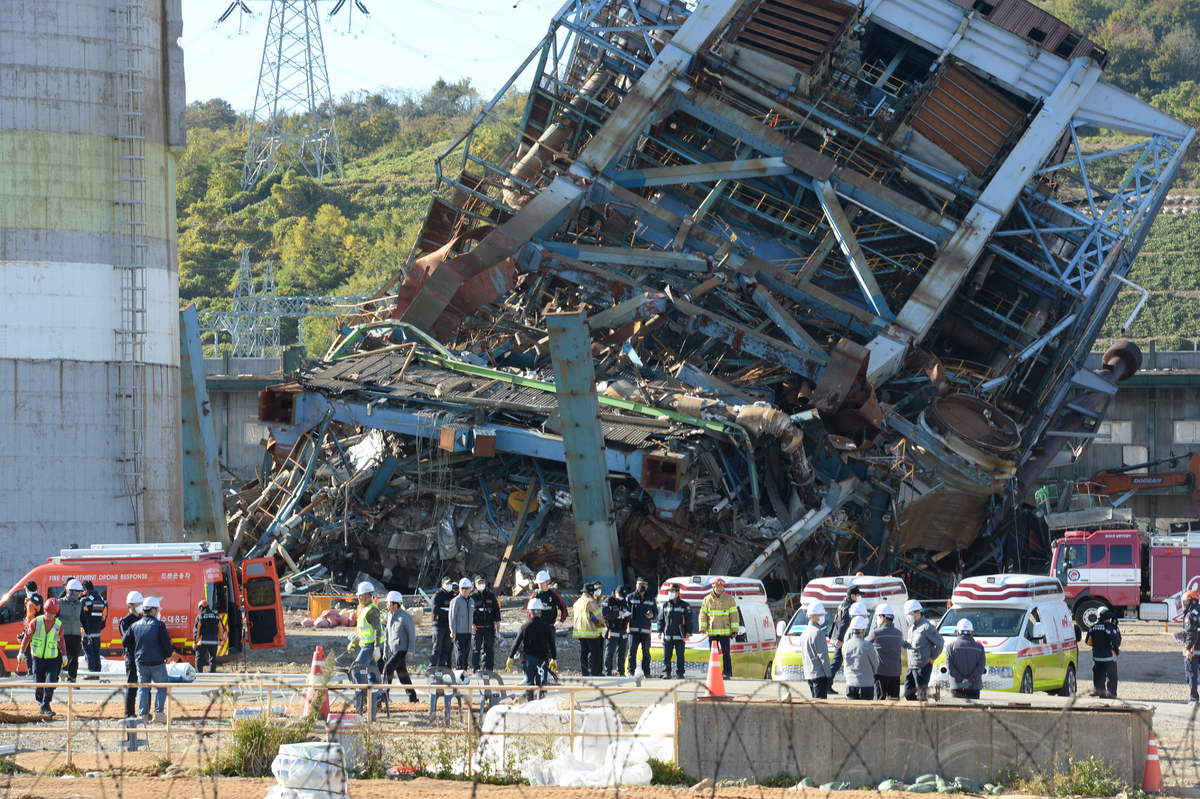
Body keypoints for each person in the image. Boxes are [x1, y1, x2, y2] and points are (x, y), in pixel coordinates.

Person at [123, 596, 174, 723]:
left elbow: (125, 641)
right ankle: (158, 713)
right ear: (152, 610)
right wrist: (168, 655)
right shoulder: (159, 625)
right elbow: (167, 644)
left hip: (140, 663)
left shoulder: (135, 625)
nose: (158, 612)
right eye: (157, 609)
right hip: (156, 662)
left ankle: (143, 716)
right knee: (163, 686)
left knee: (143, 688)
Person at [19, 597, 65, 716]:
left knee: (50, 682)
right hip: (38, 658)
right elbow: (27, 637)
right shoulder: (36, 622)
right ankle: (42, 704)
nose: (50, 616)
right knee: (38, 683)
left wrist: (64, 654)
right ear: (44, 610)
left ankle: (45, 705)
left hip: (52, 659)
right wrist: (21, 651)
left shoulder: (58, 625)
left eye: (52, 614)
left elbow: (60, 640)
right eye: (48, 613)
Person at [508, 597, 557, 701]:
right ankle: (541, 708)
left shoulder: (524, 627)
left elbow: (516, 643)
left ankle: (529, 706)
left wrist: (510, 657)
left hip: (529, 661)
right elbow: (552, 644)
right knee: (541, 686)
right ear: (541, 612)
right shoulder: (547, 627)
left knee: (529, 685)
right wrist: (554, 658)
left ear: (529, 612)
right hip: (542, 661)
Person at [699, 578, 741, 680]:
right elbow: (703, 615)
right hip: (712, 632)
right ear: (713, 587)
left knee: (726, 654)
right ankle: (714, 673)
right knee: (713, 655)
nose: (719, 589)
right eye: (717, 587)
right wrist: (702, 628)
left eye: (721, 587)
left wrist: (735, 630)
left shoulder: (729, 599)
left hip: (725, 632)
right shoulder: (707, 599)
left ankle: (727, 673)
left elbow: (734, 616)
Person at [902, 600, 944, 701]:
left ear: (918, 613)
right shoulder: (912, 628)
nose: (909, 616)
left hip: (922, 668)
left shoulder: (927, 627)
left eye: (910, 614)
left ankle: (920, 714)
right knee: (908, 693)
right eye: (907, 614)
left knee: (922, 695)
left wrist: (933, 657)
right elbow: (910, 644)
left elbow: (940, 643)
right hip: (912, 666)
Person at [382, 591, 418, 703]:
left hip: (402, 650)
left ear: (395, 604)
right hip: (393, 651)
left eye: (388, 603)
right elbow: (386, 634)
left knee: (388, 667)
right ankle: (413, 697)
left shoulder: (405, 616)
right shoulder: (389, 616)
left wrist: (411, 651)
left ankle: (384, 695)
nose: (387, 605)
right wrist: (385, 650)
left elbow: (411, 634)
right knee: (403, 675)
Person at [827, 586, 863, 693]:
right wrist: (839, 639)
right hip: (843, 640)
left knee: (837, 662)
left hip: (841, 639)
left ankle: (827, 684)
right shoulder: (848, 607)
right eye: (857, 595)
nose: (859, 597)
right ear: (852, 596)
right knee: (836, 663)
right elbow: (843, 623)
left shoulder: (842, 605)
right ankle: (826, 684)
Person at [866, 603, 903, 700]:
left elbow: (863, 644)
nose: (877, 620)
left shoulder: (875, 633)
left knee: (879, 701)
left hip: (881, 673)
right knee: (894, 702)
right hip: (895, 673)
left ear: (882, 617)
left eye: (877, 617)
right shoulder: (899, 633)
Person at [944, 619, 986, 699]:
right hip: (974, 687)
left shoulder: (950, 647)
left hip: (956, 686)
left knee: (957, 710)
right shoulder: (979, 648)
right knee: (974, 711)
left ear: (958, 632)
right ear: (972, 632)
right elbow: (981, 668)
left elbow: (950, 668)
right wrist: (969, 681)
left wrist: (962, 681)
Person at [659, 583, 693, 679]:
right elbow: (661, 619)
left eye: (673, 591)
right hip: (667, 636)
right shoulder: (665, 605)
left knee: (680, 656)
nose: (671, 593)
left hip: (679, 636)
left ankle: (680, 673)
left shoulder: (684, 605)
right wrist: (659, 631)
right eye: (670, 591)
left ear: (678, 593)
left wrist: (688, 632)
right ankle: (666, 673)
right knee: (666, 656)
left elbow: (689, 620)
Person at [1086, 607, 1122, 698]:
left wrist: (1097, 647)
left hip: (1097, 657)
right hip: (1109, 657)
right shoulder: (1110, 628)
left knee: (1099, 675)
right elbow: (1117, 642)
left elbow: (1088, 642)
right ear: (1107, 618)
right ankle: (1111, 694)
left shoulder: (1092, 628)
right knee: (1112, 676)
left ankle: (1100, 693)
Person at [119, 591, 143, 718]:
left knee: (144, 686)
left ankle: (144, 713)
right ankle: (130, 713)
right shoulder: (125, 621)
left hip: (142, 655)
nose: (141, 606)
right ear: (131, 605)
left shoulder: (142, 619)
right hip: (131, 656)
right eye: (139, 604)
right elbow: (126, 639)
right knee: (132, 684)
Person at [843, 616, 879, 700]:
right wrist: (871, 674)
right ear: (864, 630)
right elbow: (875, 664)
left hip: (850, 683)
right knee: (867, 711)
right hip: (866, 684)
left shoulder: (845, 646)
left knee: (852, 711)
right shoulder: (868, 646)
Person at [627, 578, 658, 678]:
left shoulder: (650, 597)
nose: (641, 586)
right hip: (633, 631)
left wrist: (652, 615)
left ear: (647, 586)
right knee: (632, 652)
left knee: (646, 652)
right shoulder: (630, 597)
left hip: (645, 630)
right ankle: (631, 672)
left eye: (644, 584)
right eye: (639, 584)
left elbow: (656, 612)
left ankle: (647, 673)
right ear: (636, 585)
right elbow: (625, 611)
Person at [573, 582, 604, 677]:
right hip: (590, 632)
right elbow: (600, 615)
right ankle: (594, 673)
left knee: (584, 653)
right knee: (595, 653)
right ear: (590, 592)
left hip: (580, 632)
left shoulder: (577, 602)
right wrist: (604, 621)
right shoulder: (590, 602)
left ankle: (585, 673)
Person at [801, 602, 832, 699]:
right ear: (813, 616)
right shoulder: (818, 633)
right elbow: (823, 656)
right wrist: (829, 675)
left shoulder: (804, 633)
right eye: (821, 615)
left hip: (809, 674)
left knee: (814, 704)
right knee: (820, 705)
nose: (823, 617)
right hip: (819, 675)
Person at [58, 578, 87, 682]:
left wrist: (87, 633)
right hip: (63, 635)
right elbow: (55, 619)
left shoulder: (79, 604)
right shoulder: (60, 603)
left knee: (74, 658)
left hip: (75, 635)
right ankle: (58, 675)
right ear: (69, 591)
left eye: (79, 592)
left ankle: (72, 678)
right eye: (76, 591)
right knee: (61, 656)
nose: (78, 594)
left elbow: (83, 619)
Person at [471, 576, 501, 672]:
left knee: (489, 649)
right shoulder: (472, 597)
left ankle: (488, 668)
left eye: (482, 582)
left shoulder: (490, 595)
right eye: (479, 583)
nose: (481, 585)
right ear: (475, 584)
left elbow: (496, 609)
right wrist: (471, 624)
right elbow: (469, 612)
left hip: (489, 627)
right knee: (476, 649)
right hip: (477, 627)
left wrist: (498, 621)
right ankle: (476, 668)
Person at [602, 585, 631, 676]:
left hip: (623, 631)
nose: (622, 598)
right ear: (616, 593)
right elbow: (605, 615)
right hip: (612, 631)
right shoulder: (608, 601)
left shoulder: (625, 602)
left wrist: (627, 616)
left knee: (622, 653)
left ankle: (621, 672)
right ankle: (608, 672)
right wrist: (617, 613)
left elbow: (629, 612)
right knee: (609, 653)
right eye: (620, 595)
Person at [81, 580, 107, 676]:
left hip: (87, 632)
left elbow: (81, 617)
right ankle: (97, 672)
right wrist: (99, 626)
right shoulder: (102, 600)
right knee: (96, 652)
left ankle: (91, 673)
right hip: (97, 631)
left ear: (86, 589)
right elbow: (104, 616)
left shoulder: (85, 601)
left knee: (88, 652)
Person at [192, 599, 225, 673]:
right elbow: (221, 629)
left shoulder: (200, 617)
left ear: (201, 607)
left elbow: (197, 631)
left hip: (203, 641)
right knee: (213, 659)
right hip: (214, 641)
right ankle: (211, 675)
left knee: (199, 658)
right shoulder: (216, 617)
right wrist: (220, 640)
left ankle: (199, 675)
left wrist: (194, 642)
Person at [449, 578, 474, 671]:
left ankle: (464, 672)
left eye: (466, 588)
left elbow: (472, 616)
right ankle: (459, 671)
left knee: (466, 653)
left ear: (470, 589)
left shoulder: (471, 601)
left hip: (468, 631)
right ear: (459, 588)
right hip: (459, 632)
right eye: (462, 588)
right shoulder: (456, 601)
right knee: (459, 653)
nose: (464, 590)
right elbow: (452, 617)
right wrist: (453, 631)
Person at [19, 580, 43, 675]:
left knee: (27, 650)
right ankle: (37, 669)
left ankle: (30, 670)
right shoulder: (40, 598)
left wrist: (26, 631)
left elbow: (30, 619)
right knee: (37, 650)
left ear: (27, 590)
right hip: (40, 628)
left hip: (32, 629)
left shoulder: (30, 602)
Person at [431, 577, 456, 667]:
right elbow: (435, 609)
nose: (449, 585)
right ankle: (432, 666)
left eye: (450, 583)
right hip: (439, 625)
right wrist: (449, 615)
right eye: (447, 583)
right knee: (437, 647)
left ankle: (442, 667)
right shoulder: (437, 595)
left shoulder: (453, 596)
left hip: (449, 626)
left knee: (446, 648)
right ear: (442, 585)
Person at [1183, 591, 1200, 705]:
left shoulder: (1190, 615)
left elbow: (1191, 634)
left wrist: (1188, 649)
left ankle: (1194, 698)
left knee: (1191, 673)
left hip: (1194, 650)